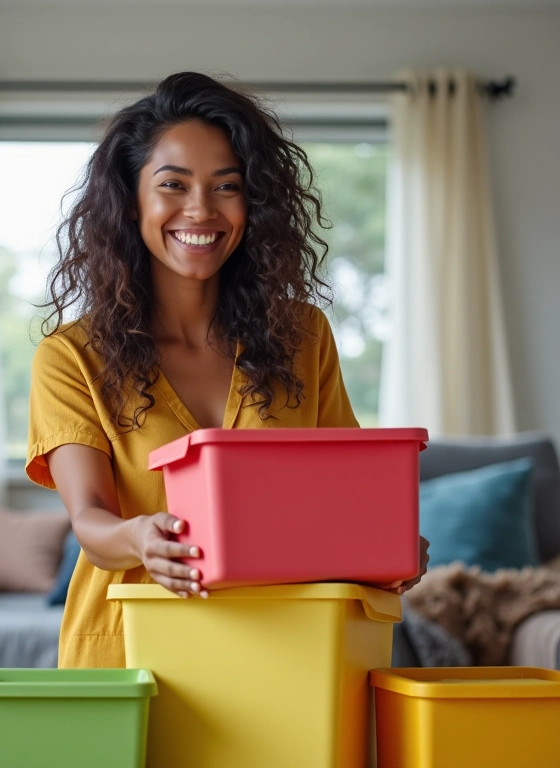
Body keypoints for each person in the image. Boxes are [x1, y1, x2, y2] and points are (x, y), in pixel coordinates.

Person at [26, 71, 429, 669]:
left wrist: (384, 546)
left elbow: (341, 496)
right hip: (134, 654)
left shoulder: (304, 337)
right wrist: (139, 538)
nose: (201, 209)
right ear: (129, 197)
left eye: (227, 186)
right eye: (173, 184)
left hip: (286, 655)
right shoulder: (71, 357)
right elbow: (91, 520)